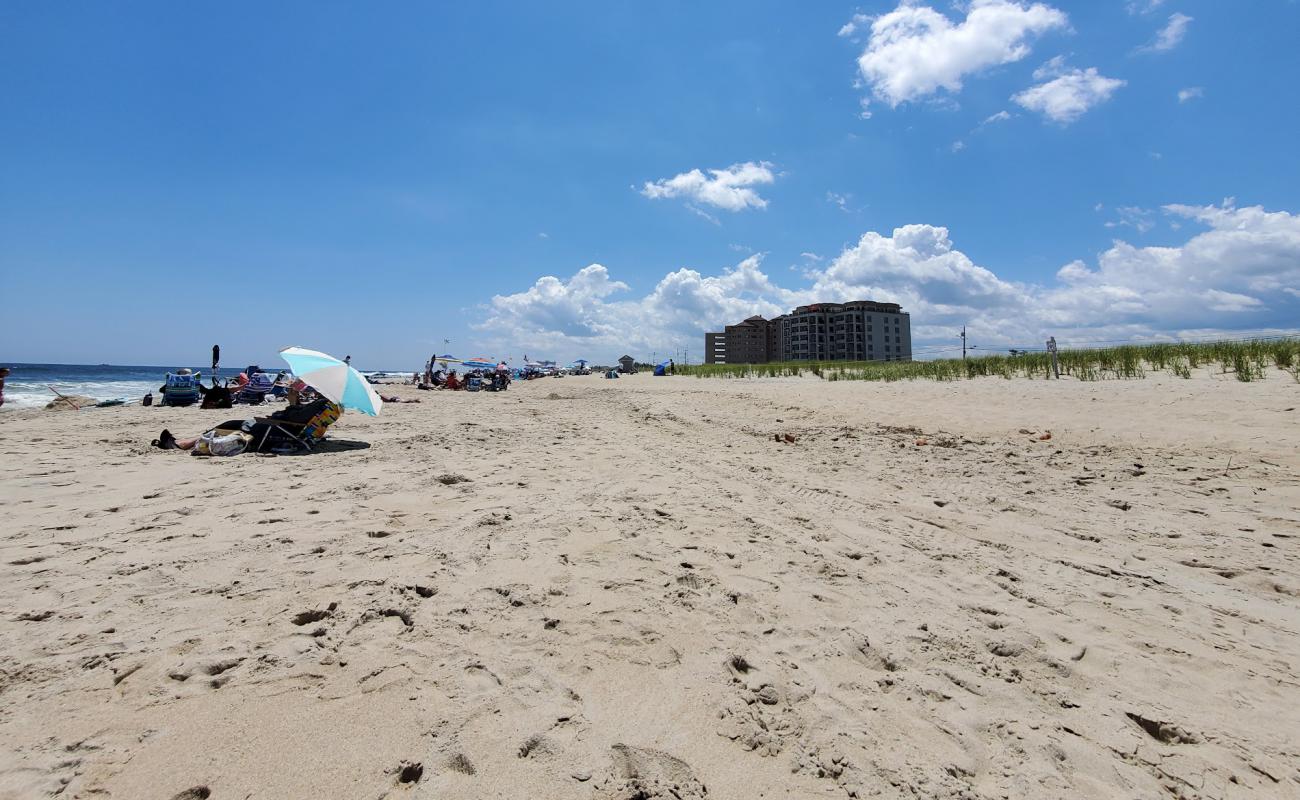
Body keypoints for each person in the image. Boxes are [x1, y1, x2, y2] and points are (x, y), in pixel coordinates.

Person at [152, 385, 334, 452]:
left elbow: (294, 417)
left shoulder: (319, 404)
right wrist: (294, 403)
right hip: (288, 428)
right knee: (231, 425)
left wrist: (292, 401)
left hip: (280, 429)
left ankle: (183, 444)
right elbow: (299, 416)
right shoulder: (327, 404)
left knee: (229, 425)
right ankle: (186, 442)